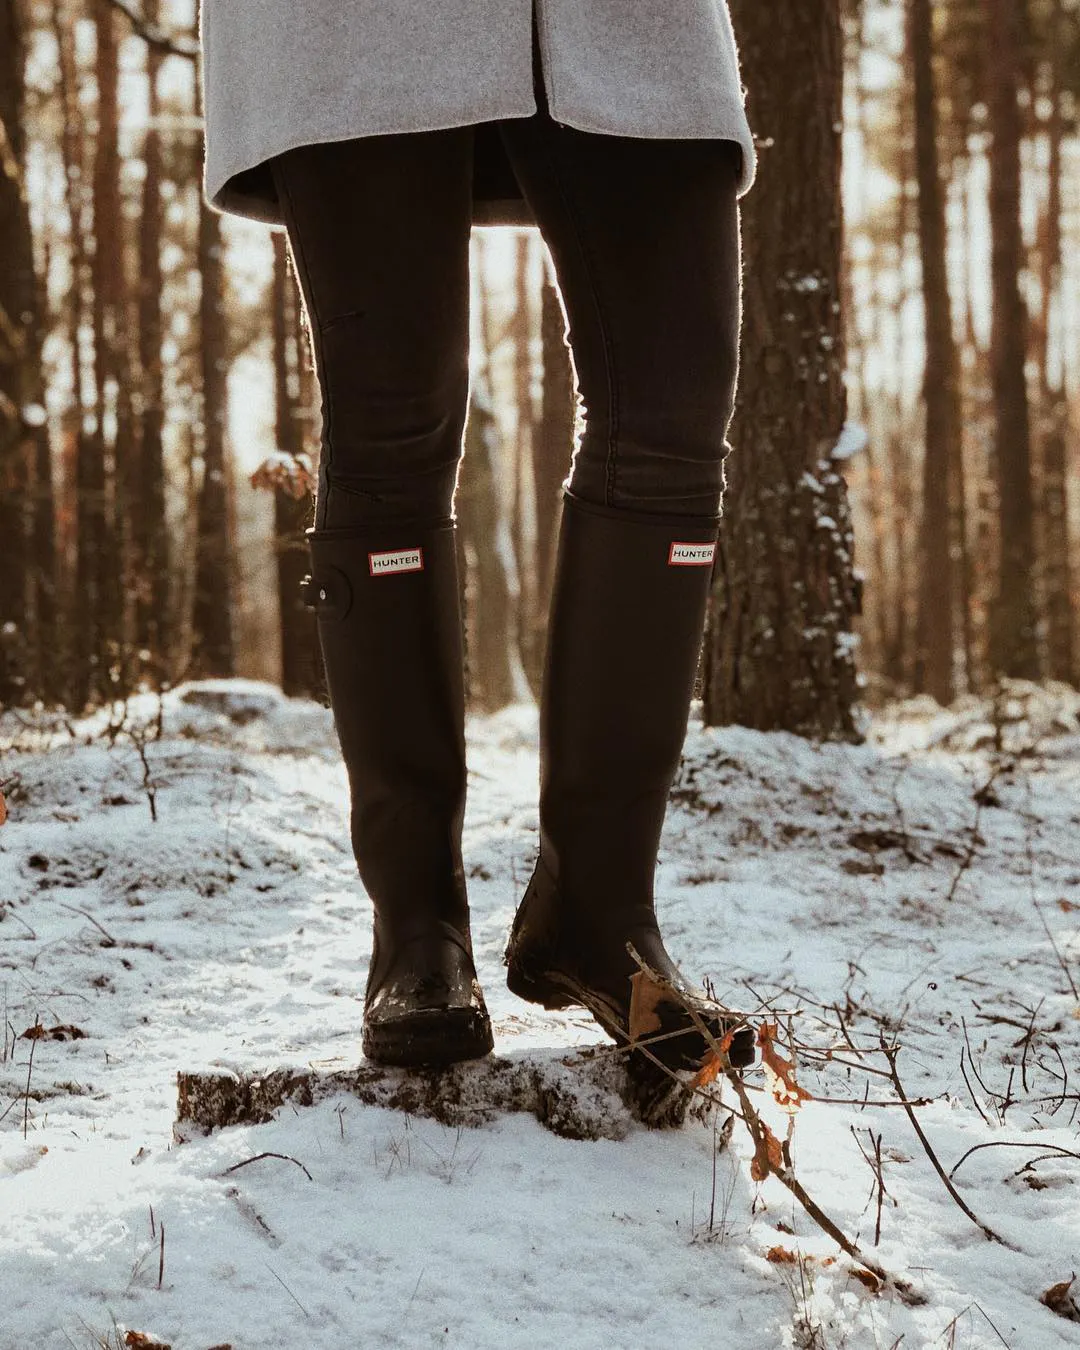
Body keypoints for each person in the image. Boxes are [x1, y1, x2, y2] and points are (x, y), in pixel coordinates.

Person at [198, 1, 758, 1075]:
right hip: (358, 26)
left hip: (633, 23)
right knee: (389, 419)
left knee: (674, 412)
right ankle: (417, 936)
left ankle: (599, 918)